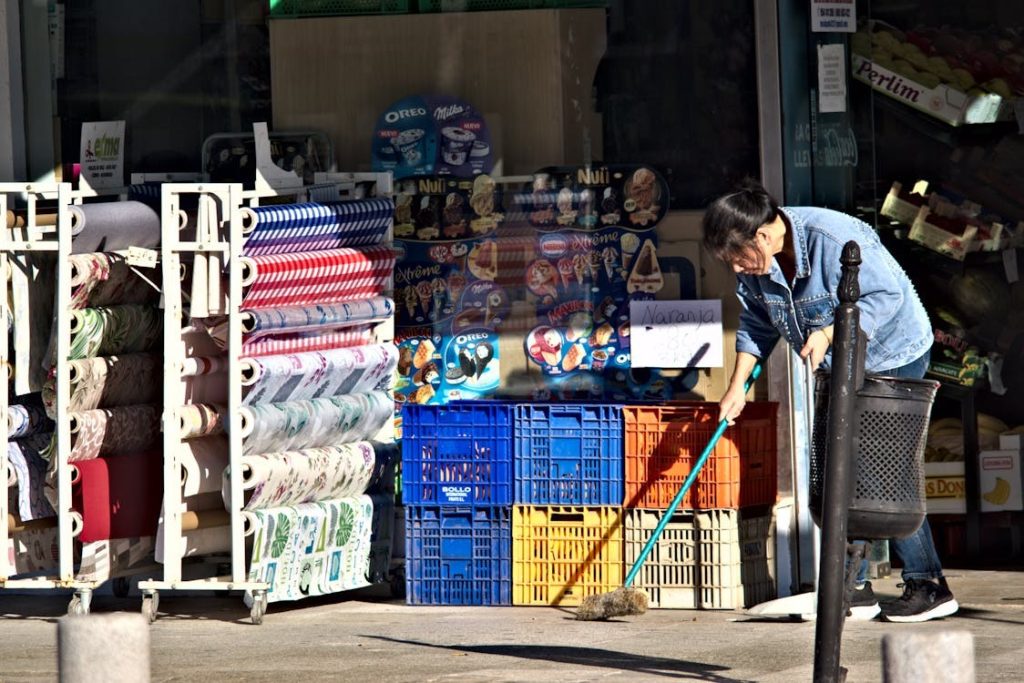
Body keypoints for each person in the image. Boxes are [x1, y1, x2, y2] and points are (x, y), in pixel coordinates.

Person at [702, 178, 958, 623]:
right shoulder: (757, 269)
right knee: (842, 468)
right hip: (838, 368)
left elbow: (886, 296)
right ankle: (854, 589)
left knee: (880, 471)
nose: (738, 268)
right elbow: (756, 325)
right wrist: (736, 387)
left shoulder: (834, 238)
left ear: (762, 235)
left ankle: (927, 585)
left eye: (739, 258)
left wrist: (827, 332)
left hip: (892, 354)